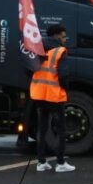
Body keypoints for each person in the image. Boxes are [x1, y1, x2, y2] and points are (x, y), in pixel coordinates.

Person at [31, 25, 75, 173]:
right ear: (56, 36)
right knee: (61, 129)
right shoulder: (60, 51)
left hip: (39, 93)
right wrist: (66, 88)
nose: (64, 39)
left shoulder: (37, 49)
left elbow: (28, 69)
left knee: (42, 128)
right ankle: (61, 162)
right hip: (55, 95)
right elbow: (63, 74)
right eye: (63, 36)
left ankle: (41, 162)